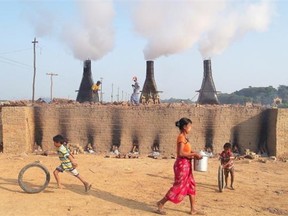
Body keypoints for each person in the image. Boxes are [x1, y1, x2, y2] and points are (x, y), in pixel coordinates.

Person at [156, 117, 205, 215]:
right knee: (178, 186)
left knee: (191, 186)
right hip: (182, 165)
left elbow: (187, 151)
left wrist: (194, 153)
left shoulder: (185, 138)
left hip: (187, 165)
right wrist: (194, 155)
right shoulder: (181, 138)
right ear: (184, 127)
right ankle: (160, 203)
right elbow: (180, 153)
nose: (190, 128)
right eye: (189, 126)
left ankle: (193, 209)